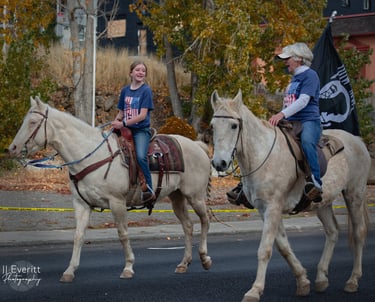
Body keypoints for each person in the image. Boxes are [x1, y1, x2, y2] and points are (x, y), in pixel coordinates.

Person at [227, 42, 322, 206]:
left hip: (308, 121)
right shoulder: (293, 79)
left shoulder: (310, 75)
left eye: (288, 59)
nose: (285, 62)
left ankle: (315, 182)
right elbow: (289, 102)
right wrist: (281, 115)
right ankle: (246, 185)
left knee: (307, 142)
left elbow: (303, 101)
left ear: (299, 59)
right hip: (289, 122)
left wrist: (281, 114)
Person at [112, 61, 155, 203]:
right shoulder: (125, 91)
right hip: (125, 128)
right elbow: (121, 112)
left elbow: (142, 115)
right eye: (137, 70)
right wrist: (115, 122)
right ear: (131, 73)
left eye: (143, 70)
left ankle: (148, 188)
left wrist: (122, 123)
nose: (141, 72)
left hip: (140, 130)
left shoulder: (146, 91)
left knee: (141, 156)